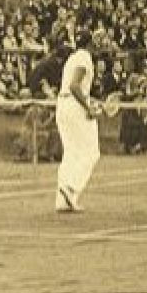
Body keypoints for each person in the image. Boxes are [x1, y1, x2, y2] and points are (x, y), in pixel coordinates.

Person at [54, 28, 100, 213]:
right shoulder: (84, 58)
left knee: (71, 152)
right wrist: (88, 107)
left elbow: (74, 87)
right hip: (74, 107)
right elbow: (74, 85)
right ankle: (71, 187)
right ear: (89, 44)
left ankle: (63, 201)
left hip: (63, 106)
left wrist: (89, 101)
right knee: (91, 152)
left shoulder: (72, 58)